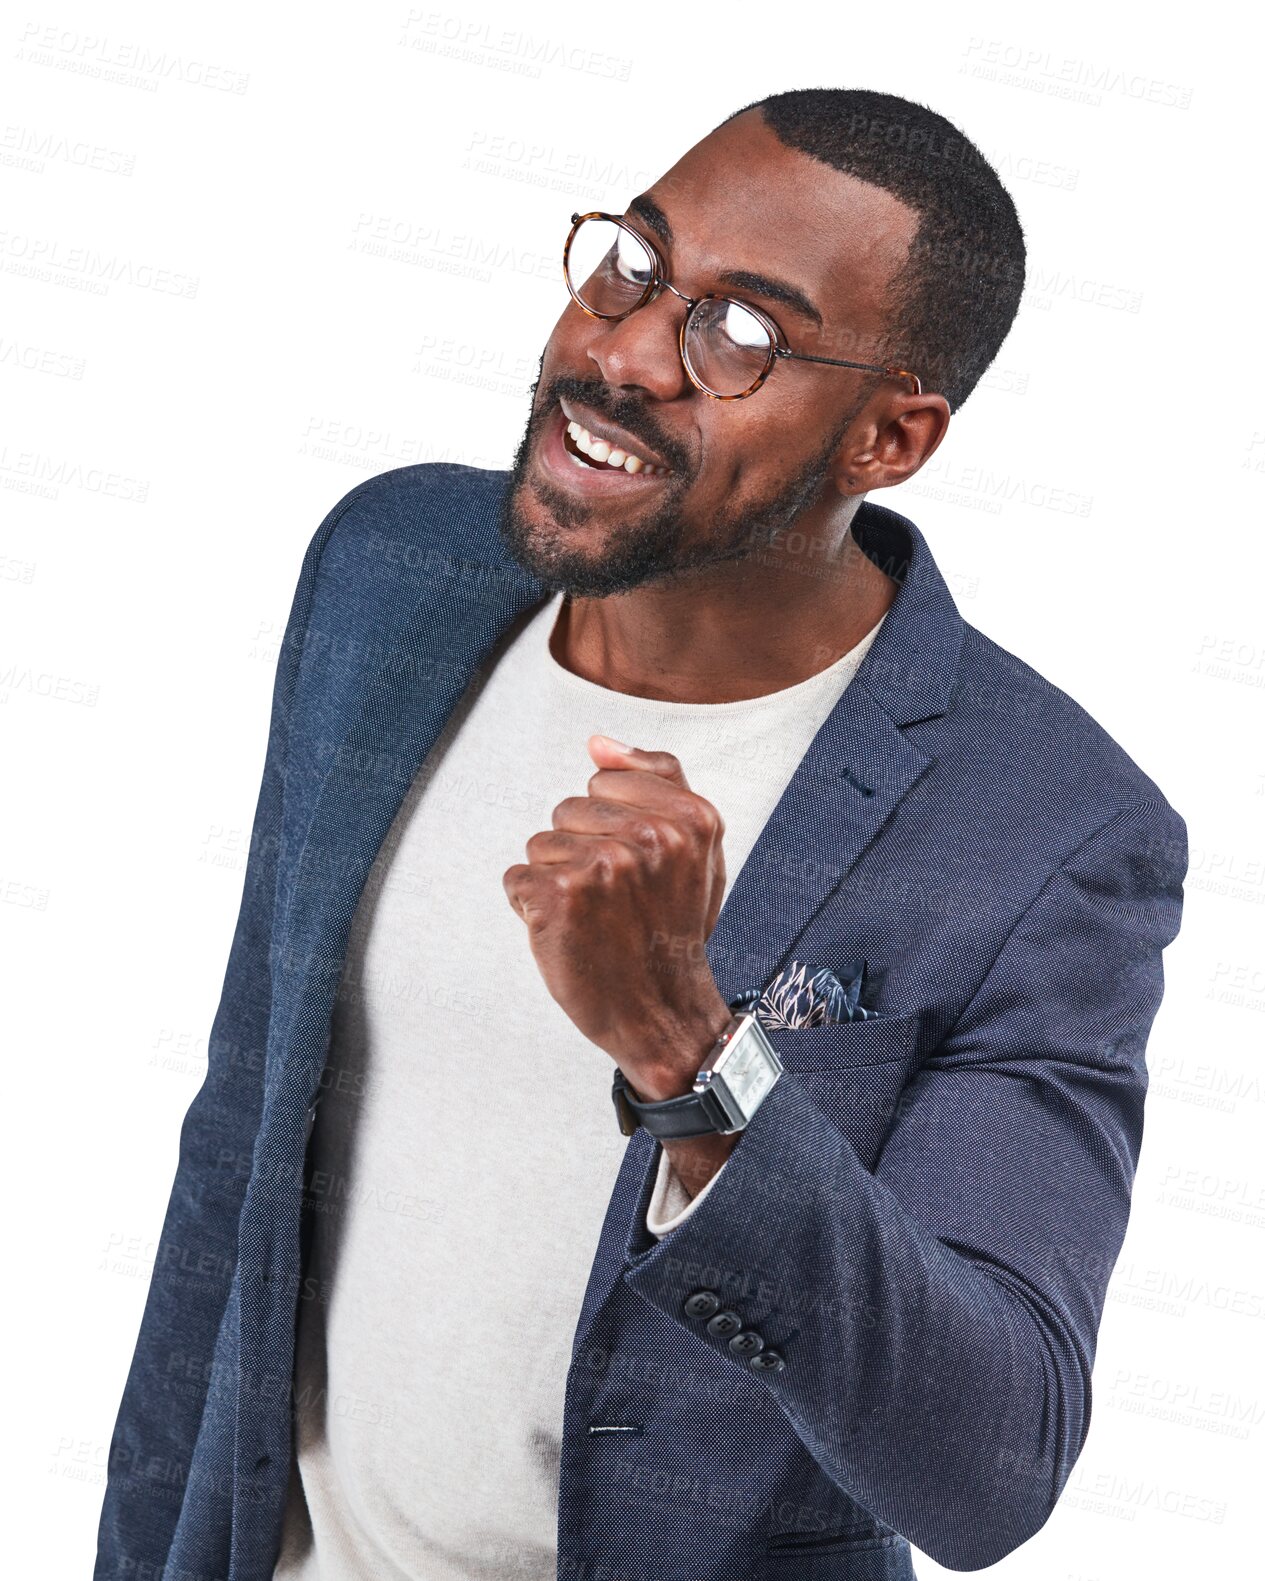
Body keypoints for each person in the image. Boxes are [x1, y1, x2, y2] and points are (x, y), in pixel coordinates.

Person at [95, 88, 1188, 1581]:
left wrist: (691, 1050)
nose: (616, 353)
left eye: (738, 334)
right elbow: (241, 1140)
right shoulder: (389, 569)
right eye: (632, 264)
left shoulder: (1044, 829)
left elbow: (988, 1461)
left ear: (889, 432)